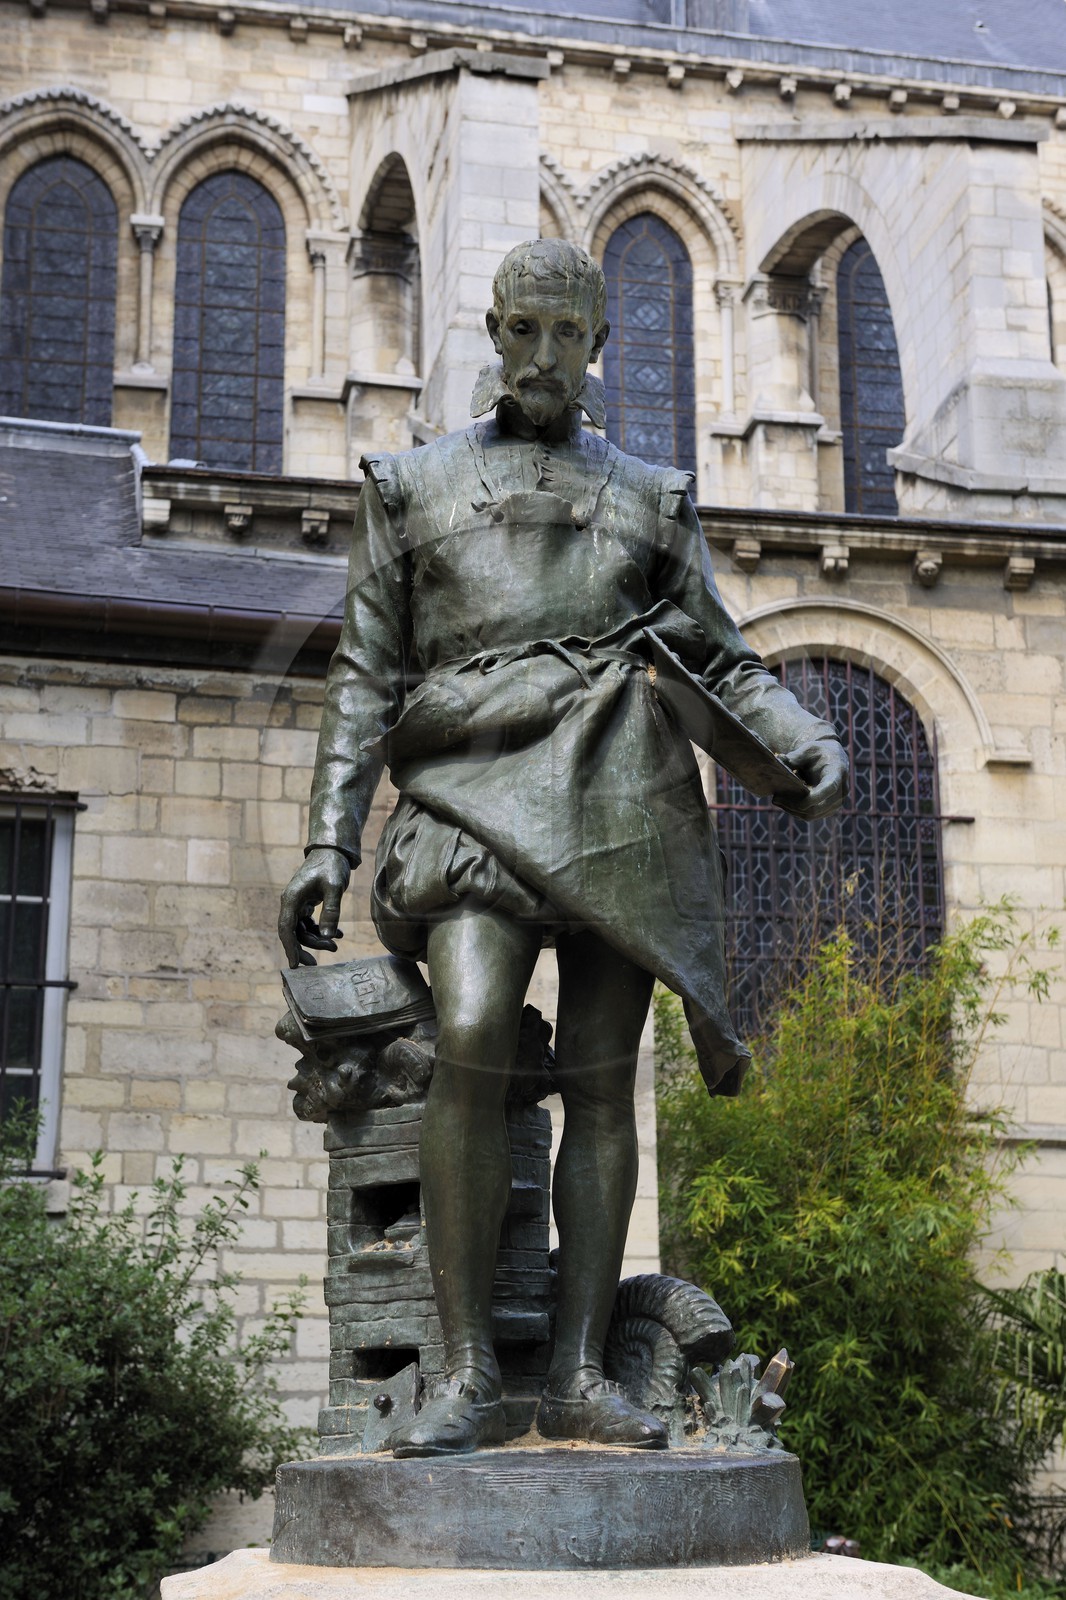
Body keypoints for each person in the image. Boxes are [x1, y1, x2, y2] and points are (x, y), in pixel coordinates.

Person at [278, 239, 847, 1458]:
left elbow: (723, 655)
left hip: (618, 794)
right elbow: (366, 671)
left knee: (600, 1076)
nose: (543, 354)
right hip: (469, 791)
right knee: (475, 1031)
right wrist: (328, 839)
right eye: (523, 329)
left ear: (598, 344)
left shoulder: (652, 494)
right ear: (493, 331)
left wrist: (803, 736)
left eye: (566, 333)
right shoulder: (409, 484)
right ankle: (467, 1370)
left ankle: (583, 1373)